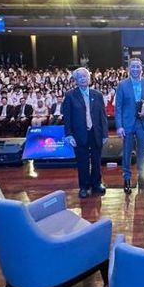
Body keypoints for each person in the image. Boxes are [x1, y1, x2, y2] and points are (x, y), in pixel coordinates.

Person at [63, 67, 109, 199]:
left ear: (89, 78)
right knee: (82, 161)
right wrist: (69, 134)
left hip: (96, 132)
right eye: (80, 77)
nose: (83, 79)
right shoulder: (70, 95)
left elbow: (102, 116)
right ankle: (84, 186)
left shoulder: (97, 95)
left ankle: (96, 184)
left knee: (96, 160)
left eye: (85, 76)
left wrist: (105, 134)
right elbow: (67, 117)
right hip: (79, 134)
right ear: (76, 80)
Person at [115, 58, 144, 193]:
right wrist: (119, 126)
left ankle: (142, 178)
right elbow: (118, 107)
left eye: (138, 66)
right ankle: (126, 178)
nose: (136, 69)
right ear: (128, 68)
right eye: (133, 67)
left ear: (141, 68)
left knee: (142, 152)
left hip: (143, 123)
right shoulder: (122, 85)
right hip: (127, 124)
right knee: (127, 153)